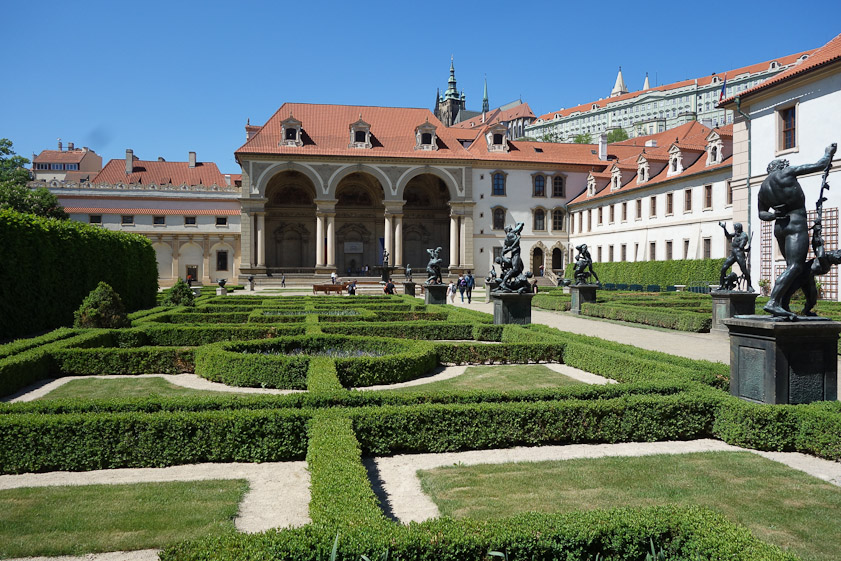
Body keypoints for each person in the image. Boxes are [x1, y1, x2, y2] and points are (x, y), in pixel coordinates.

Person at [758, 143, 836, 319]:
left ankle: (783, 303)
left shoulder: (763, 188)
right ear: (781, 167)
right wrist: (828, 152)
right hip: (795, 224)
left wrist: (774, 215)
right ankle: (773, 301)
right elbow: (819, 165)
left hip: (780, 227)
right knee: (795, 266)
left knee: (792, 268)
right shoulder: (787, 172)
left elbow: (762, 214)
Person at [718, 222, 752, 291]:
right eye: (735, 229)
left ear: (739, 229)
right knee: (723, 268)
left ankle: (750, 285)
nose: (735, 231)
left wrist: (745, 249)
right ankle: (721, 285)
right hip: (733, 254)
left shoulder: (744, 236)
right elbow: (728, 236)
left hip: (739, 254)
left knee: (744, 270)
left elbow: (741, 246)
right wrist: (724, 228)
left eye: (736, 229)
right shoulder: (737, 234)